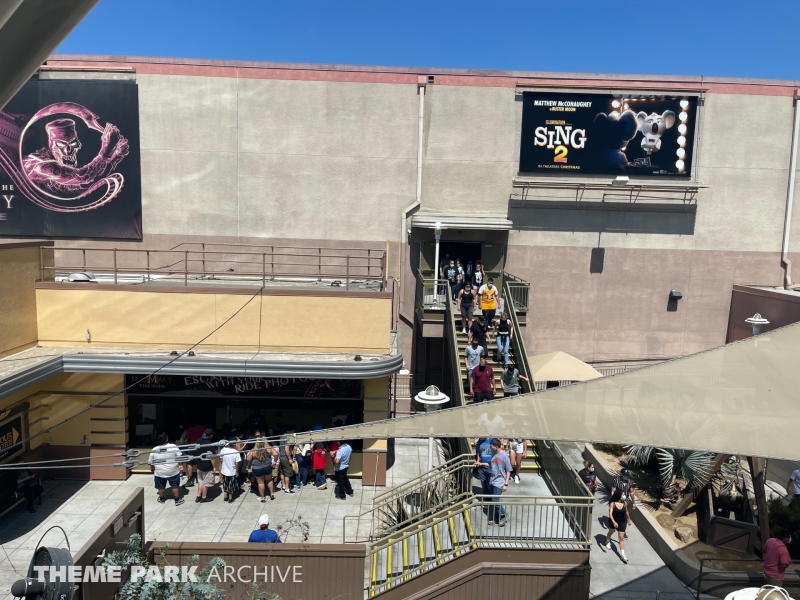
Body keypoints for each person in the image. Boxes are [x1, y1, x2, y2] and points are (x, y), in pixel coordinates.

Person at [148, 433, 185, 506]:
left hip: (160, 472)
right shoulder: (173, 446)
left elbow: (151, 462)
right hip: (173, 471)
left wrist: (152, 468)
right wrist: (180, 465)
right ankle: (177, 499)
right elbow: (179, 457)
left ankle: (161, 499)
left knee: (160, 486)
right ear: (166, 439)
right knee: (175, 485)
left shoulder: (154, 449)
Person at [489, 438, 512, 526]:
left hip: (499, 482)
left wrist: (506, 484)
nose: (490, 447)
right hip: (492, 480)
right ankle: (496, 518)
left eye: (491, 446)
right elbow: (492, 465)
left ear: (496, 446)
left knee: (495, 500)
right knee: (494, 501)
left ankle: (504, 515)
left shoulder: (504, 455)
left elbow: (508, 471)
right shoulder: (494, 453)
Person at [604, 489, 630, 563]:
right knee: (611, 531)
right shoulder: (613, 503)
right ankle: (607, 540)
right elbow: (610, 514)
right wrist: (614, 522)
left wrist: (629, 519)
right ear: (619, 495)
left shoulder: (624, 503)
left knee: (621, 537)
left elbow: (626, 511)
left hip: (622, 521)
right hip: (613, 521)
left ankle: (622, 554)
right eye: (623, 495)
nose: (624, 496)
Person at [194, 428, 218, 503]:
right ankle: (204, 497)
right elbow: (212, 458)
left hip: (199, 465)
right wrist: (214, 467)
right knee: (206, 483)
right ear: (211, 436)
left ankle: (198, 496)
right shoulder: (210, 445)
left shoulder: (198, 440)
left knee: (200, 481)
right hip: (207, 467)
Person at [248, 438, 276, 502]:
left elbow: (248, 459)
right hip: (267, 467)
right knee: (269, 480)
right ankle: (272, 494)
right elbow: (276, 454)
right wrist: (274, 461)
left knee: (260, 483)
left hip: (257, 468)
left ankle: (262, 498)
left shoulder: (253, 450)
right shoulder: (269, 448)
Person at [611, 468, 637, 538]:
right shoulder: (616, 481)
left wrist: (634, 502)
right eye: (625, 475)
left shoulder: (630, 482)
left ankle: (623, 531)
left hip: (626, 501)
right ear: (621, 474)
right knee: (616, 514)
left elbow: (631, 493)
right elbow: (613, 491)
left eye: (627, 475)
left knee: (625, 515)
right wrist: (613, 500)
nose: (626, 477)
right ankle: (614, 525)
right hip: (617, 501)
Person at [279, 428, 296, 494]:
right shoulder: (288, 437)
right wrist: (290, 458)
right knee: (287, 474)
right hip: (285, 458)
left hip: (281, 457)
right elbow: (286, 449)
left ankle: (283, 485)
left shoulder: (282, 436)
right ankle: (287, 489)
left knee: (282, 472)